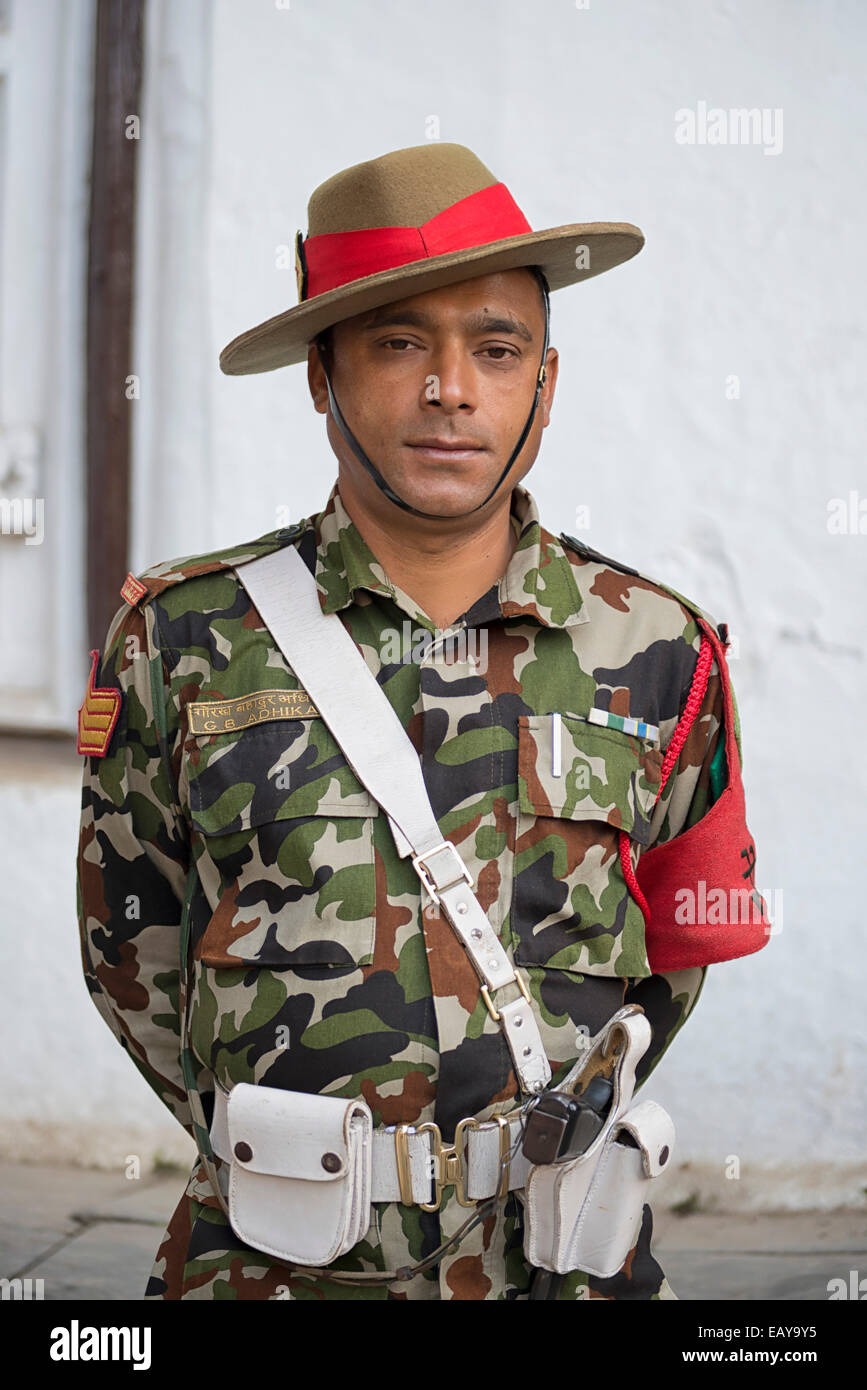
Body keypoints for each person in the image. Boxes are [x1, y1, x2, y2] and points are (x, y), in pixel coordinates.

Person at [76, 142, 771, 1301]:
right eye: (400, 343)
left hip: (560, 1264)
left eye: (495, 349)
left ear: (545, 381)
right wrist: (296, 1156)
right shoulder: (183, 640)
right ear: (321, 374)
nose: (452, 387)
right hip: (270, 1268)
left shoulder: (658, 647)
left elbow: (681, 946)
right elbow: (130, 952)